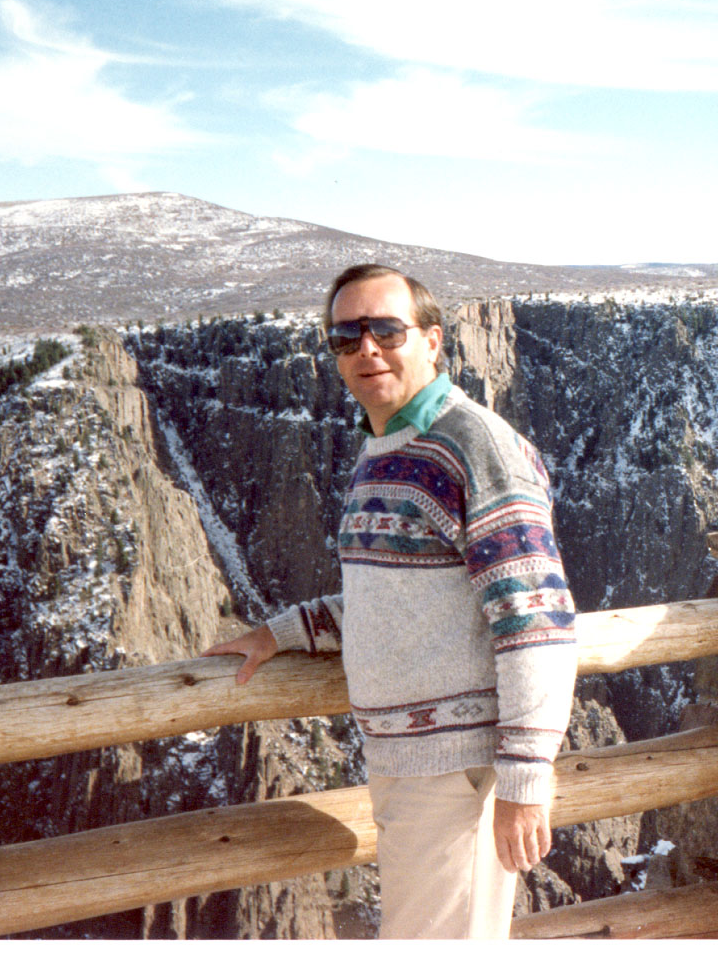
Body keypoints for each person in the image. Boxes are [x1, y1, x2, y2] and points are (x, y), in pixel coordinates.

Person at [203, 264, 577, 939]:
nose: (365, 350)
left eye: (385, 330)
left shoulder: (476, 446)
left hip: (455, 772)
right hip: (415, 764)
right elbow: (395, 598)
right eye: (346, 337)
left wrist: (526, 779)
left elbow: (536, 619)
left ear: (432, 341)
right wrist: (283, 633)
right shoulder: (386, 448)